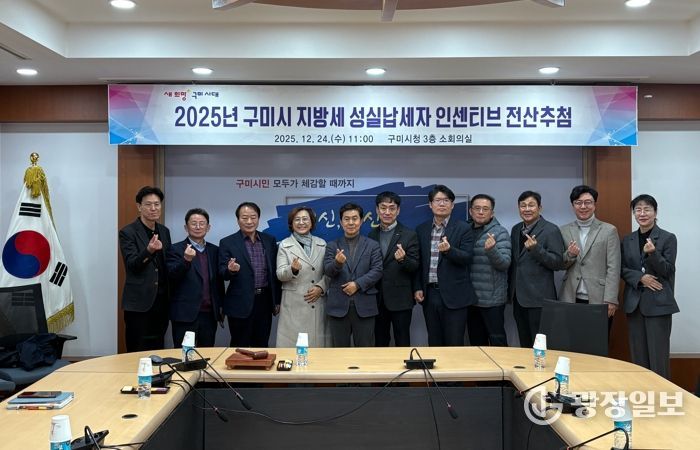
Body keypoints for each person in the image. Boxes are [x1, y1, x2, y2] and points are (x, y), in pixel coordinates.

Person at [621, 194, 678, 379]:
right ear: (634, 213)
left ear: (655, 212)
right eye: (638, 209)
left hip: (659, 305)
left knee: (658, 356)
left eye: (647, 209)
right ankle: (642, 393)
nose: (642, 213)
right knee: (638, 358)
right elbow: (622, 269)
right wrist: (640, 278)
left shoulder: (668, 238)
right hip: (634, 304)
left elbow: (668, 270)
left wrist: (653, 254)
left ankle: (661, 395)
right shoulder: (628, 239)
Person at [414, 185, 475, 346]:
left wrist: (449, 251)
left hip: (455, 296)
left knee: (454, 342)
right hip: (430, 294)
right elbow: (419, 263)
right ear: (430, 204)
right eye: (438, 200)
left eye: (446, 200)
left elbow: (468, 257)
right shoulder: (422, 229)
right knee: (434, 341)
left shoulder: (464, 228)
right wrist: (418, 287)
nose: (442, 204)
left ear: (452, 205)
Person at [218, 202, 281, 347]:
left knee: (262, 345)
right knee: (240, 346)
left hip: (264, 301)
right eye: (244, 218)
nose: (249, 221)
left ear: (258, 218)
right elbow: (222, 272)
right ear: (238, 220)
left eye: (253, 217)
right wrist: (230, 270)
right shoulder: (227, 242)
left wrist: (276, 300)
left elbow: (274, 273)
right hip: (239, 303)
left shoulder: (269, 240)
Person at [508, 190, 564, 348]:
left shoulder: (551, 229)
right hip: (518, 297)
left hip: (539, 299)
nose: (527, 209)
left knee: (540, 345)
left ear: (540, 208)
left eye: (531, 205)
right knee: (524, 343)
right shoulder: (516, 229)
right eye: (523, 205)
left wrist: (536, 249)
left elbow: (557, 263)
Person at [559, 186, 620, 329]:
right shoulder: (563, 230)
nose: (583, 206)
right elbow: (560, 264)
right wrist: (570, 255)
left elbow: (614, 267)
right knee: (571, 339)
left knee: (597, 340)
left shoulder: (609, 230)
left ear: (594, 204)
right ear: (573, 205)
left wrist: (611, 299)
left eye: (588, 202)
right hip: (571, 297)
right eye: (578, 202)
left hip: (599, 298)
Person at [118, 186, 171, 352]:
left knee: (158, 349)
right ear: (139, 207)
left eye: (157, 204)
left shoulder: (164, 231)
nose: (153, 208)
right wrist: (149, 250)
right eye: (148, 204)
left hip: (162, 302)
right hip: (139, 303)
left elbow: (166, 265)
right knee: (137, 350)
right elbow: (132, 265)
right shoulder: (128, 232)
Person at [324, 203, 383, 347]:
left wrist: (357, 284)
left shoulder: (372, 245)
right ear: (341, 222)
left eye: (355, 218)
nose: (351, 222)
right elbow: (328, 271)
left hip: (365, 306)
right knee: (339, 351)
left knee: (365, 351)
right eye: (346, 219)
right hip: (338, 307)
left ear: (361, 221)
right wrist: (337, 263)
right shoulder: (332, 245)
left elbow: (377, 270)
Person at [166, 208, 224, 348]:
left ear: (208, 227)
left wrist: (221, 307)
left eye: (202, 223)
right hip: (185, 314)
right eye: (193, 223)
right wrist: (186, 260)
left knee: (207, 354)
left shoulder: (214, 250)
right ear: (186, 227)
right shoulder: (175, 249)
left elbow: (218, 282)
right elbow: (171, 276)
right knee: (184, 355)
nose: (198, 227)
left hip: (209, 314)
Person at [368, 191, 420, 347]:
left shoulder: (409, 234)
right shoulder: (371, 235)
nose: (387, 212)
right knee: (380, 340)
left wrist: (403, 259)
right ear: (377, 210)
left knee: (402, 340)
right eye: (383, 208)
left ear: (398, 211)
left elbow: (415, 266)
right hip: (377, 298)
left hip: (401, 299)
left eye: (392, 208)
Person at [275, 206, 330, 348]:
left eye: (305, 219)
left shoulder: (322, 244)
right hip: (294, 305)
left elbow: (329, 273)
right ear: (291, 223)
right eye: (297, 219)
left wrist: (321, 287)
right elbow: (280, 274)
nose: (301, 223)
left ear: (311, 222)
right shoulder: (284, 245)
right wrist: (292, 269)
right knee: (294, 349)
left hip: (317, 302)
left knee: (318, 348)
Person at [467, 194, 511, 347]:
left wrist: (492, 250)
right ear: (471, 211)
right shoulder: (464, 230)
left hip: (492, 299)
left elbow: (504, 263)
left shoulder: (500, 232)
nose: (480, 212)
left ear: (492, 213)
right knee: (476, 342)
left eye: (485, 209)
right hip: (471, 299)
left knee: (497, 340)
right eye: (477, 208)